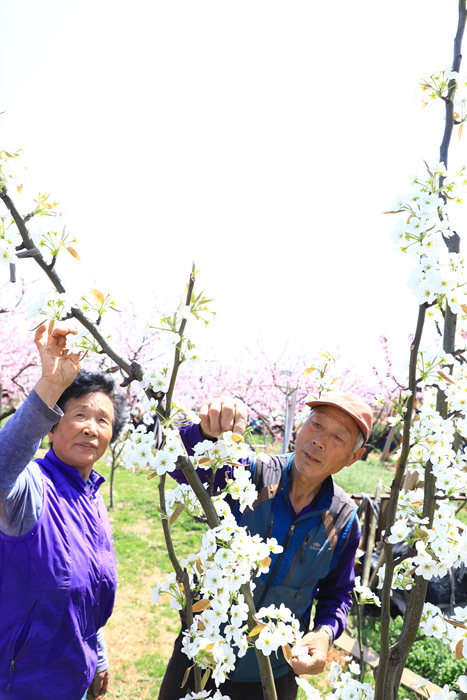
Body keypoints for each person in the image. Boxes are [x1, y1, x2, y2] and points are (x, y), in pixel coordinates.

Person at [159, 391, 373, 700]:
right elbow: (185, 466)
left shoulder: (343, 520)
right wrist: (206, 431)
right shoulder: (252, 473)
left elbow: (336, 593)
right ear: (301, 426)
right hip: (201, 654)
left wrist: (324, 633)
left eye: (337, 437)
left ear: (353, 457)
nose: (319, 441)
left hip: (273, 672)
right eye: (315, 425)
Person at [0, 324, 125, 700]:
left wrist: (98, 658)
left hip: (74, 677)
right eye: (79, 415)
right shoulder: (30, 487)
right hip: (20, 683)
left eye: (102, 420)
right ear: (52, 428)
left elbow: (84, 593)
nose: (91, 428)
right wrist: (50, 386)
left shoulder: (94, 499)